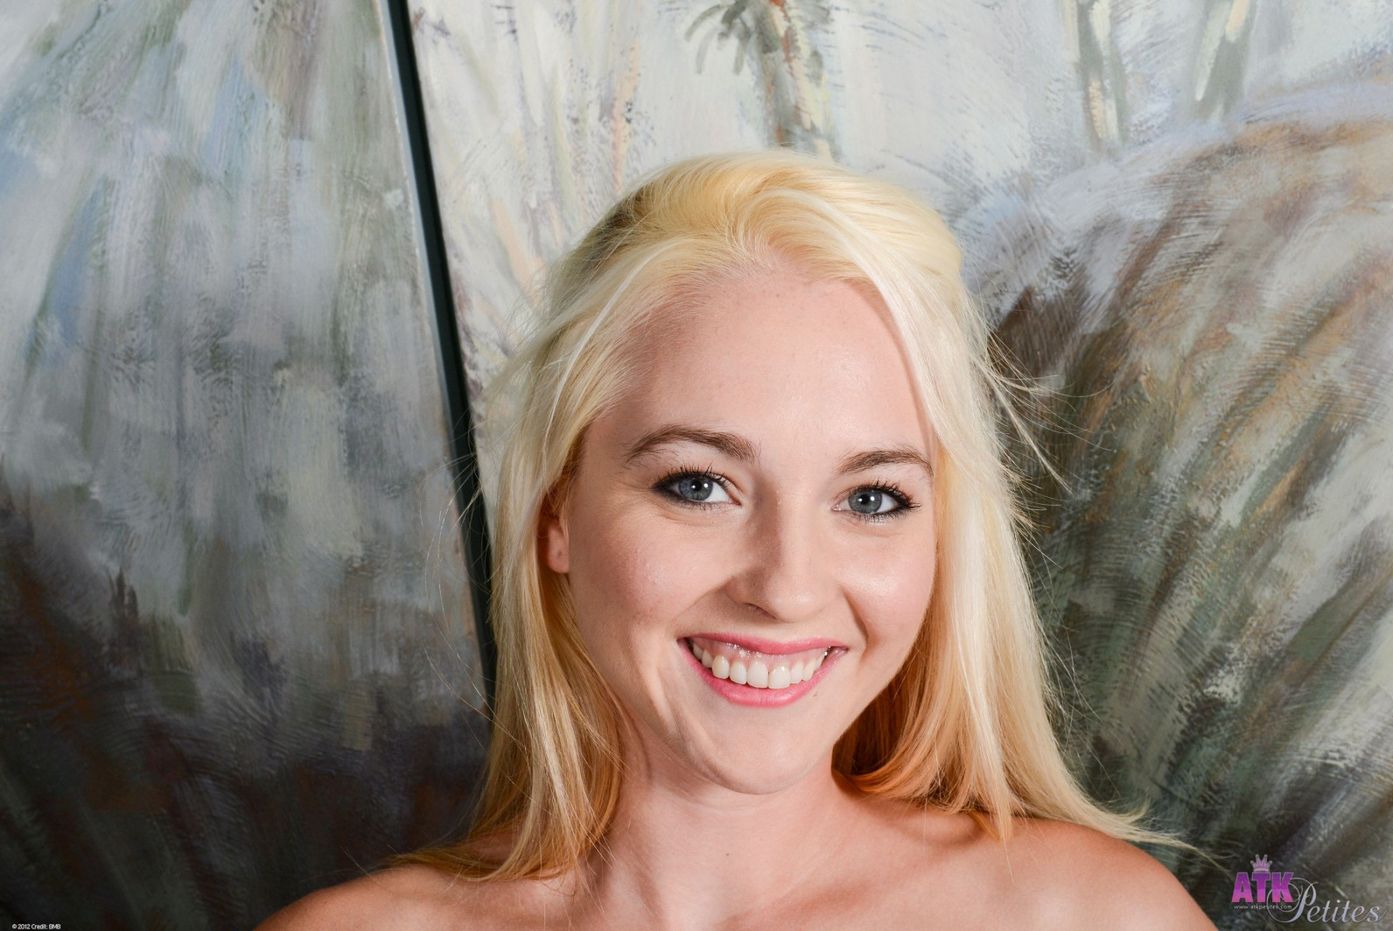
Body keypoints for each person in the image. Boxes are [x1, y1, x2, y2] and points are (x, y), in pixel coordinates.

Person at [260, 149, 1213, 928]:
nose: (787, 586)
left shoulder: (1095, 917)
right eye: (699, 485)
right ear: (556, 514)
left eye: (872, 497)